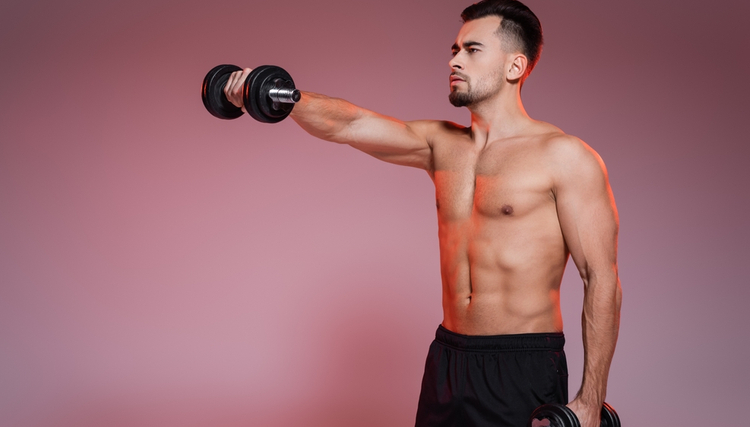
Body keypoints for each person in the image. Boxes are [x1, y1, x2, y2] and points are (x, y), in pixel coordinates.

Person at [224, 1, 621, 426]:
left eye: (472, 50)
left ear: (514, 66)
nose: (454, 60)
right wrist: (277, 95)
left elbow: (601, 278)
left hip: (520, 362)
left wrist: (590, 397)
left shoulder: (564, 157)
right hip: (447, 359)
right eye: (453, 50)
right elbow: (350, 124)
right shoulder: (440, 145)